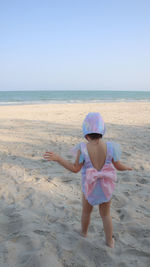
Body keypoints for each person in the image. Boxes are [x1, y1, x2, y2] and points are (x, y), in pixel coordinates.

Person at [43, 112, 132, 248]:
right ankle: (109, 241)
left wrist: (59, 158)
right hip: (105, 187)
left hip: (89, 187)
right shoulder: (110, 147)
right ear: (102, 131)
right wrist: (126, 168)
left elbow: (75, 168)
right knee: (106, 215)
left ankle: (84, 233)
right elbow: (118, 166)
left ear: (86, 133)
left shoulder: (83, 148)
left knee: (86, 212)